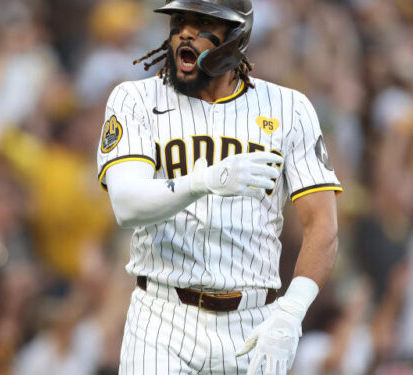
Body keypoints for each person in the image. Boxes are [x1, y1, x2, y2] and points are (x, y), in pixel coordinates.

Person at [96, 1, 341, 374]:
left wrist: (291, 313)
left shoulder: (289, 108)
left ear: (236, 37)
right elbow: (127, 205)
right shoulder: (136, 99)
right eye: (179, 21)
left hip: (253, 320)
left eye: (203, 23)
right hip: (162, 318)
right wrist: (204, 181)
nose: (185, 33)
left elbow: (322, 224)